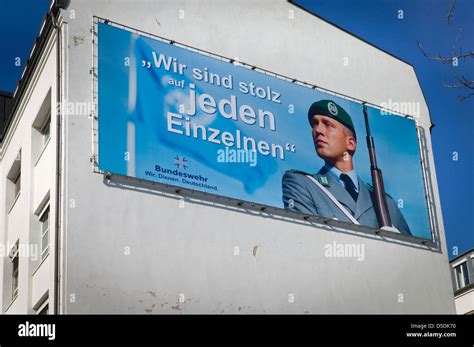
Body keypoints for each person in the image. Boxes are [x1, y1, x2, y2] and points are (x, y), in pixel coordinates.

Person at [282, 99, 411, 235]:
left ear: (350, 143)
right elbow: (308, 240)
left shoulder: (387, 204)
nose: (317, 130)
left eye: (328, 124)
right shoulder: (302, 184)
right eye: (315, 124)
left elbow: (411, 253)